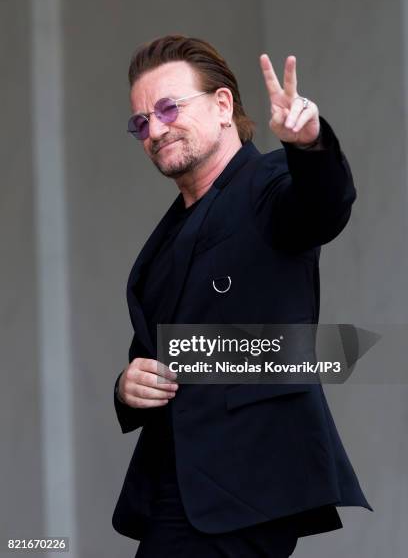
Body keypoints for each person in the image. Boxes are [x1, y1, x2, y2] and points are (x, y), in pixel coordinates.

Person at [112, 35, 372, 557]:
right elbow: (159, 349)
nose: (155, 129)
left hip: (249, 484)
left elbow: (325, 203)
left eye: (168, 108)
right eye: (142, 122)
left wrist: (308, 143)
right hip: (176, 483)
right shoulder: (165, 241)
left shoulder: (269, 183)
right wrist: (127, 385)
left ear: (223, 105)